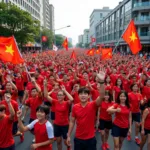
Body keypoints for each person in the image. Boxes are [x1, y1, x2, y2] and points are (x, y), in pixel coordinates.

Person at [66, 68, 106, 150]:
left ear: (89, 96)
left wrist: (101, 82)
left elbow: (101, 96)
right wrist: (69, 135)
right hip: (78, 138)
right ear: (78, 95)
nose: (83, 95)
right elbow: (72, 121)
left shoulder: (93, 104)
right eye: (81, 94)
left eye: (85, 94)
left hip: (90, 139)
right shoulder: (75, 107)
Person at [44, 79, 74, 150]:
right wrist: (45, 85)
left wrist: (65, 91)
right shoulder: (55, 102)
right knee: (58, 141)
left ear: (64, 96)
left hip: (65, 125)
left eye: (61, 95)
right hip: (57, 125)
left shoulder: (66, 103)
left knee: (65, 142)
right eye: (58, 95)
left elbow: (72, 99)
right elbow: (46, 95)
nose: (59, 96)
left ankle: (68, 147)